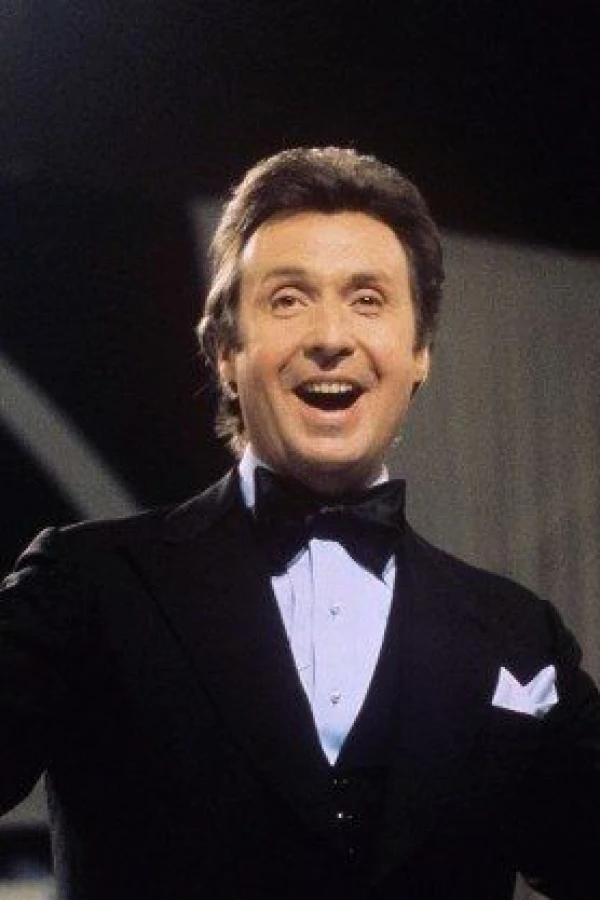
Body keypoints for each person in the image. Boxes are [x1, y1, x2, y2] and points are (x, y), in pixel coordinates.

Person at [1, 147, 599, 900]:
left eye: (368, 299)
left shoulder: (519, 637)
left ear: (419, 353)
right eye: (288, 300)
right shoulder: (84, 587)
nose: (330, 337)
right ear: (225, 352)